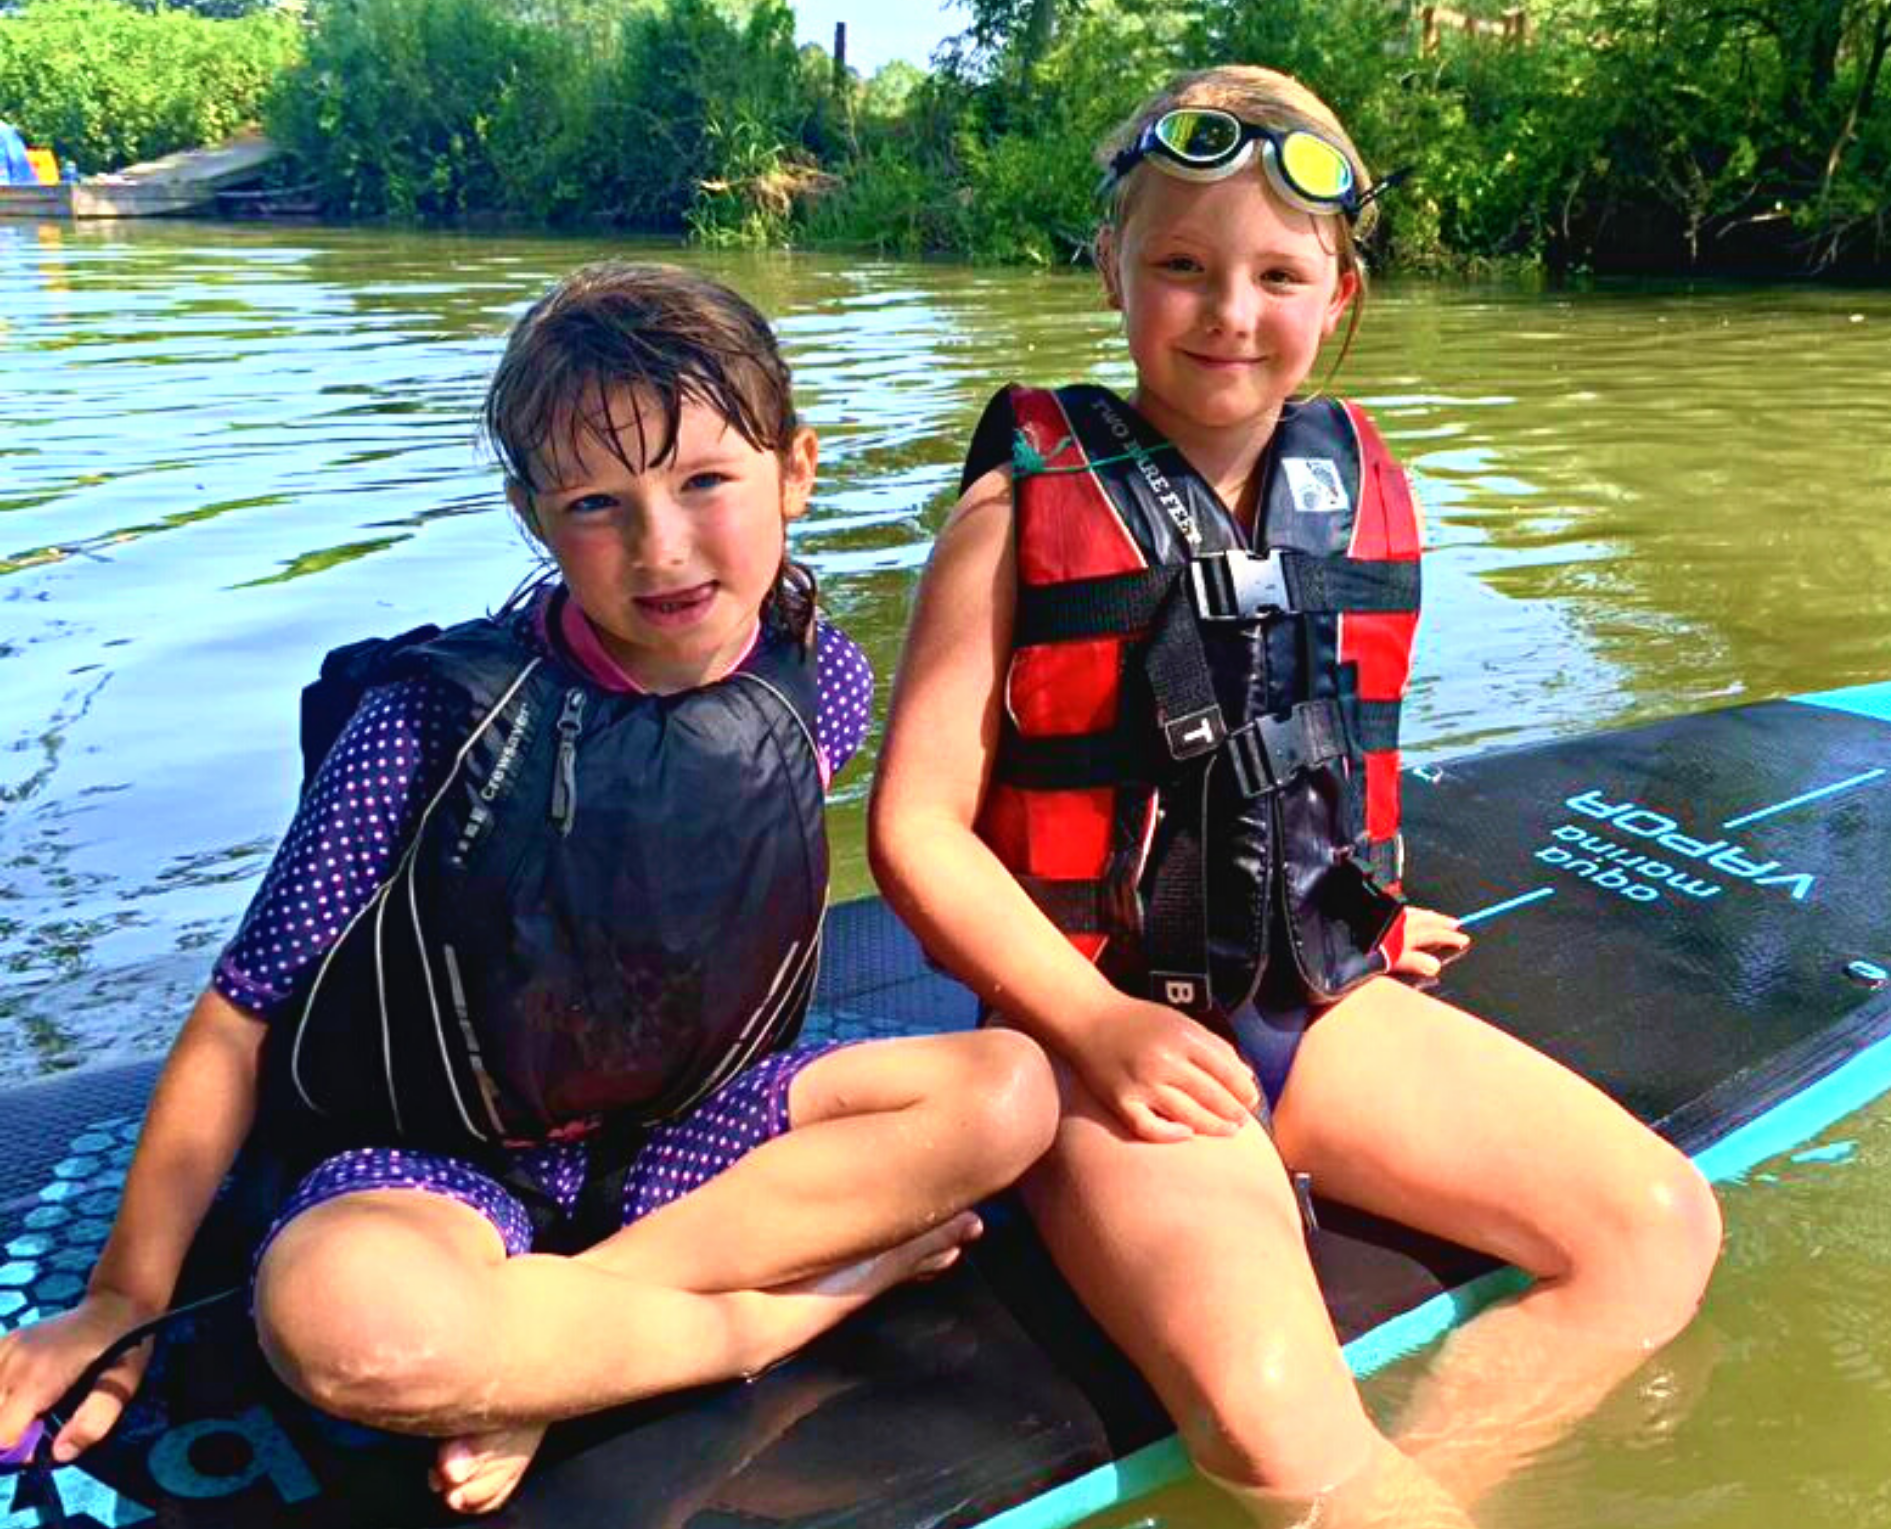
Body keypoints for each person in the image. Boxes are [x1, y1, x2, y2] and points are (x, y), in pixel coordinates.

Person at [0, 262, 1059, 1516]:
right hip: (435, 1165)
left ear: (797, 469)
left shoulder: (819, 678)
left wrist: (547, 1329)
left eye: (705, 481)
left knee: (1009, 1089)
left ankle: (553, 1341)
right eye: (598, 503)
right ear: (535, 516)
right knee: (349, 1331)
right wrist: (124, 1298)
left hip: (684, 1135)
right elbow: (241, 1013)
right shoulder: (427, 723)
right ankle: (781, 1313)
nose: (661, 547)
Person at [868, 66, 1721, 1526]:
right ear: (1112, 270)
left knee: (1656, 1229)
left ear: (1341, 297)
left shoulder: (1360, 492)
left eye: (1277, 273)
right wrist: (1094, 1022)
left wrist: (1365, 911)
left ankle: (1424, 1487)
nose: (1229, 312)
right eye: (1184, 267)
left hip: (1314, 1006)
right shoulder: (1016, 514)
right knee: (1285, 1434)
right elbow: (914, 831)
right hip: (1104, 1052)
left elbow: (1297, 757)